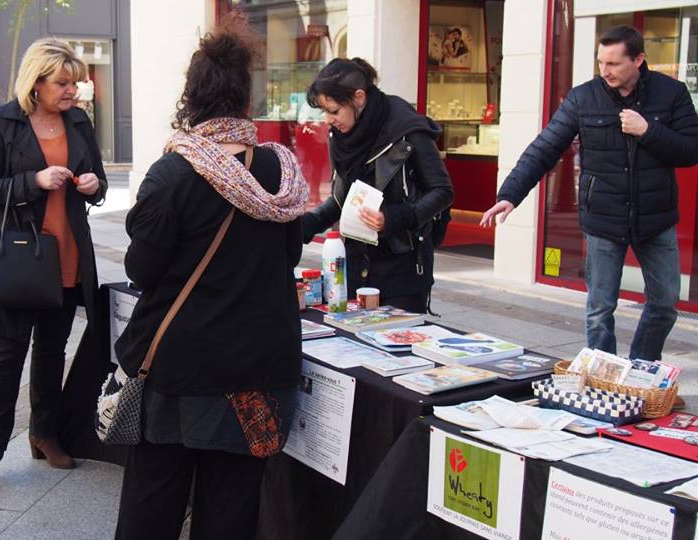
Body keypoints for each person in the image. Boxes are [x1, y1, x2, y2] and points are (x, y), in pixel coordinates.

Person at [114, 23, 308, 540]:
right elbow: (289, 255)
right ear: (247, 97)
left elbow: (142, 271)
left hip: (181, 371)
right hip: (257, 370)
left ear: (192, 96)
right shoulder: (280, 171)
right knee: (231, 511)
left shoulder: (173, 173)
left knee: (152, 507)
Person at [479, 25, 698, 361]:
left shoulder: (672, 93)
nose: (604, 71)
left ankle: (640, 368)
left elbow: (690, 150)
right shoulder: (584, 98)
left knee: (665, 302)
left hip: (656, 218)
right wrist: (509, 194)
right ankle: (603, 374)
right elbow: (545, 148)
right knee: (600, 309)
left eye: (613, 64)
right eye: (600, 62)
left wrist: (648, 130)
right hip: (603, 218)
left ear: (638, 59)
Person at [0, 37, 107, 478]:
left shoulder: (79, 122)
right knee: (6, 351)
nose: (73, 92)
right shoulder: (2, 122)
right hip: (17, 258)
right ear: (37, 82)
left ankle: (44, 434)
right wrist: (34, 181)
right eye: (63, 83)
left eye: (76, 83)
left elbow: (99, 179)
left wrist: (92, 185)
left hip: (66, 254)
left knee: (51, 351)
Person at [301, 58, 454, 314]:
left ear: (359, 98)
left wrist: (392, 218)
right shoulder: (340, 136)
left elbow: (442, 191)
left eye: (334, 111)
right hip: (353, 264)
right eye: (324, 112)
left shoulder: (406, 128)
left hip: (401, 268)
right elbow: (341, 200)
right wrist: (300, 228)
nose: (328, 120)